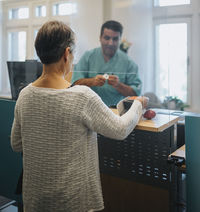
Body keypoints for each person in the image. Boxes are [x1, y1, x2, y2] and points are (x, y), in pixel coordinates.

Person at [10, 20, 147, 212]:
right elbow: (120, 129)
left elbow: (16, 144)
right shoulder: (81, 96)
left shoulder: (25, 95)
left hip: (35, 200)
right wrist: (138, 105)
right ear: (67, 54)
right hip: (72, 201)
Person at [72, 20, 142, 107]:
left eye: (115, 39)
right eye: (107, 38)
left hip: (117, 112)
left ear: (120, 39)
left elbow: (135, 93)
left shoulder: (128, 62)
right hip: (90, 109)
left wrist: (118, 85)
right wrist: (92, 81)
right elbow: (75, 84)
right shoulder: (88, 57)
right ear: (100, 38)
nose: (110, 43)